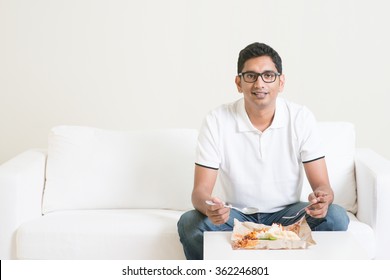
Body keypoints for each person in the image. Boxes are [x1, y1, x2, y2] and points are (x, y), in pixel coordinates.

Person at [177, 42, 349, 260]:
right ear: (238, 83)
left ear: (281, 81)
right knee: (190, 223)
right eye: (251, 76)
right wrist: (211, 208)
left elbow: (323, 186)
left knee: (336, 217)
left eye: (268, 75)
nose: (260, 83)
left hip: (288, 215)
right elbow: (199, 193)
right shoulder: (216, 120)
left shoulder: (300, 118)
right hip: (235, 216)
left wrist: (323, 199)